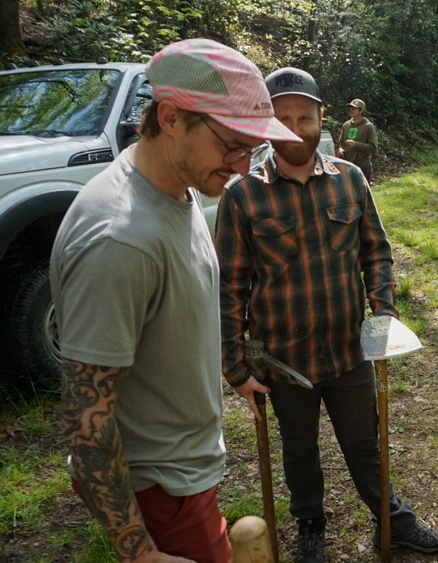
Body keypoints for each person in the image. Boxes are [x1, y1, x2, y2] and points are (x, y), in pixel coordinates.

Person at [51, 39, 301, 563]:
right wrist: (139, 552)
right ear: (170, 117)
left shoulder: (173, 184)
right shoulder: (119, 239)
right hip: (159, 492)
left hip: (185, 471)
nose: (241, 165)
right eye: (232, 145)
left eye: (252, 149)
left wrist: (228, 369)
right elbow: (86, 416)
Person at [215, 67, 438, 563]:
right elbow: (229, 287)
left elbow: (376, 255)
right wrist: (234, 365)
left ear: (323, 119)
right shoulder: (242, 195)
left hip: (348, 353)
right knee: (299, 451)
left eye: (305, 117)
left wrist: (382, 319)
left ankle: (393, 520)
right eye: (283, 119)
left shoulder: (351, 180)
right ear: (265, 125)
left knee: (366, 445)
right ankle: (310, 527)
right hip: (283, 361)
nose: (296, 128)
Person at [336, 98, 378, 181]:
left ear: (361, 110)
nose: (351, 110)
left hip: (362, 166)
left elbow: (373, 148)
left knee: (363, 192)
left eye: (354, 108)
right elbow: (341, 142)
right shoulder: (346, 125)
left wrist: (356, 144)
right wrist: (340, 149)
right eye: (350, 107)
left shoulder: (368, 127)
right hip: (347, 165)